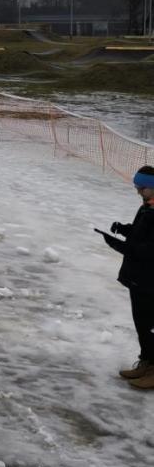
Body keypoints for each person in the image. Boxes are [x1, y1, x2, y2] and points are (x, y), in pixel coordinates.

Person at [99, 166, 154, 388]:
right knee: (141, 324)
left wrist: (120, 246)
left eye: (142, 187)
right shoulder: (147, 207)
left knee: (149, 325)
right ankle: (146, 362)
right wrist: (124, 230)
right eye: (137, 187)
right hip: (138, 278)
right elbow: (142, 235)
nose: (138, 191)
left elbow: (149, 251)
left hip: (150, 281)